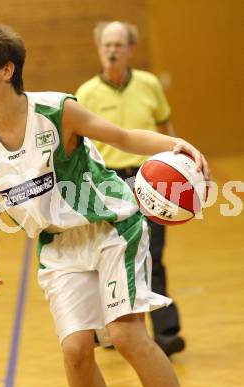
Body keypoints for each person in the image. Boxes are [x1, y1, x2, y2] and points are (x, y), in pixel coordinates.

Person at [0, 24, 210, 387]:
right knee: (76, 351)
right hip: (58, 246)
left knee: (125, 335)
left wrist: (175, 143)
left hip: (111, 228)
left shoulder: (57, 111)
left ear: (6, 70)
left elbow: (122, 137)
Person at [76, 21, 184, 356]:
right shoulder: (85, 92)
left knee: (153, 253)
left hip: (151, 179)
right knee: (105, 255)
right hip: (107, 181)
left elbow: (166, 127)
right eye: (106, 44)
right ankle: (107, 327)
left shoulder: (150, 85)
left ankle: (165, 331)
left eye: (118, 45)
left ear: (130, 50)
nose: (112, 50)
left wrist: (179, 168)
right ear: (99, 48)